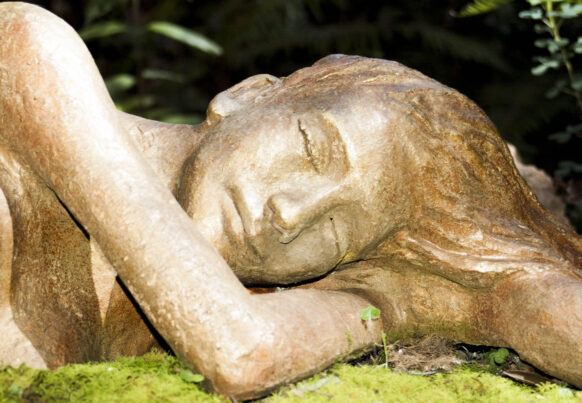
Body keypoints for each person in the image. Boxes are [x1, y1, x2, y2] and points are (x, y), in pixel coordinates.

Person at [0, 2, 581, 399]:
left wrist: (449, 303)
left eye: (336, 230)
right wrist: (401, 307)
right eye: (312, 147)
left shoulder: (229, 298)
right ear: (249, 94)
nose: (293, 213)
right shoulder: (35, 55)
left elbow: (550, 315)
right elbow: (238, 350)